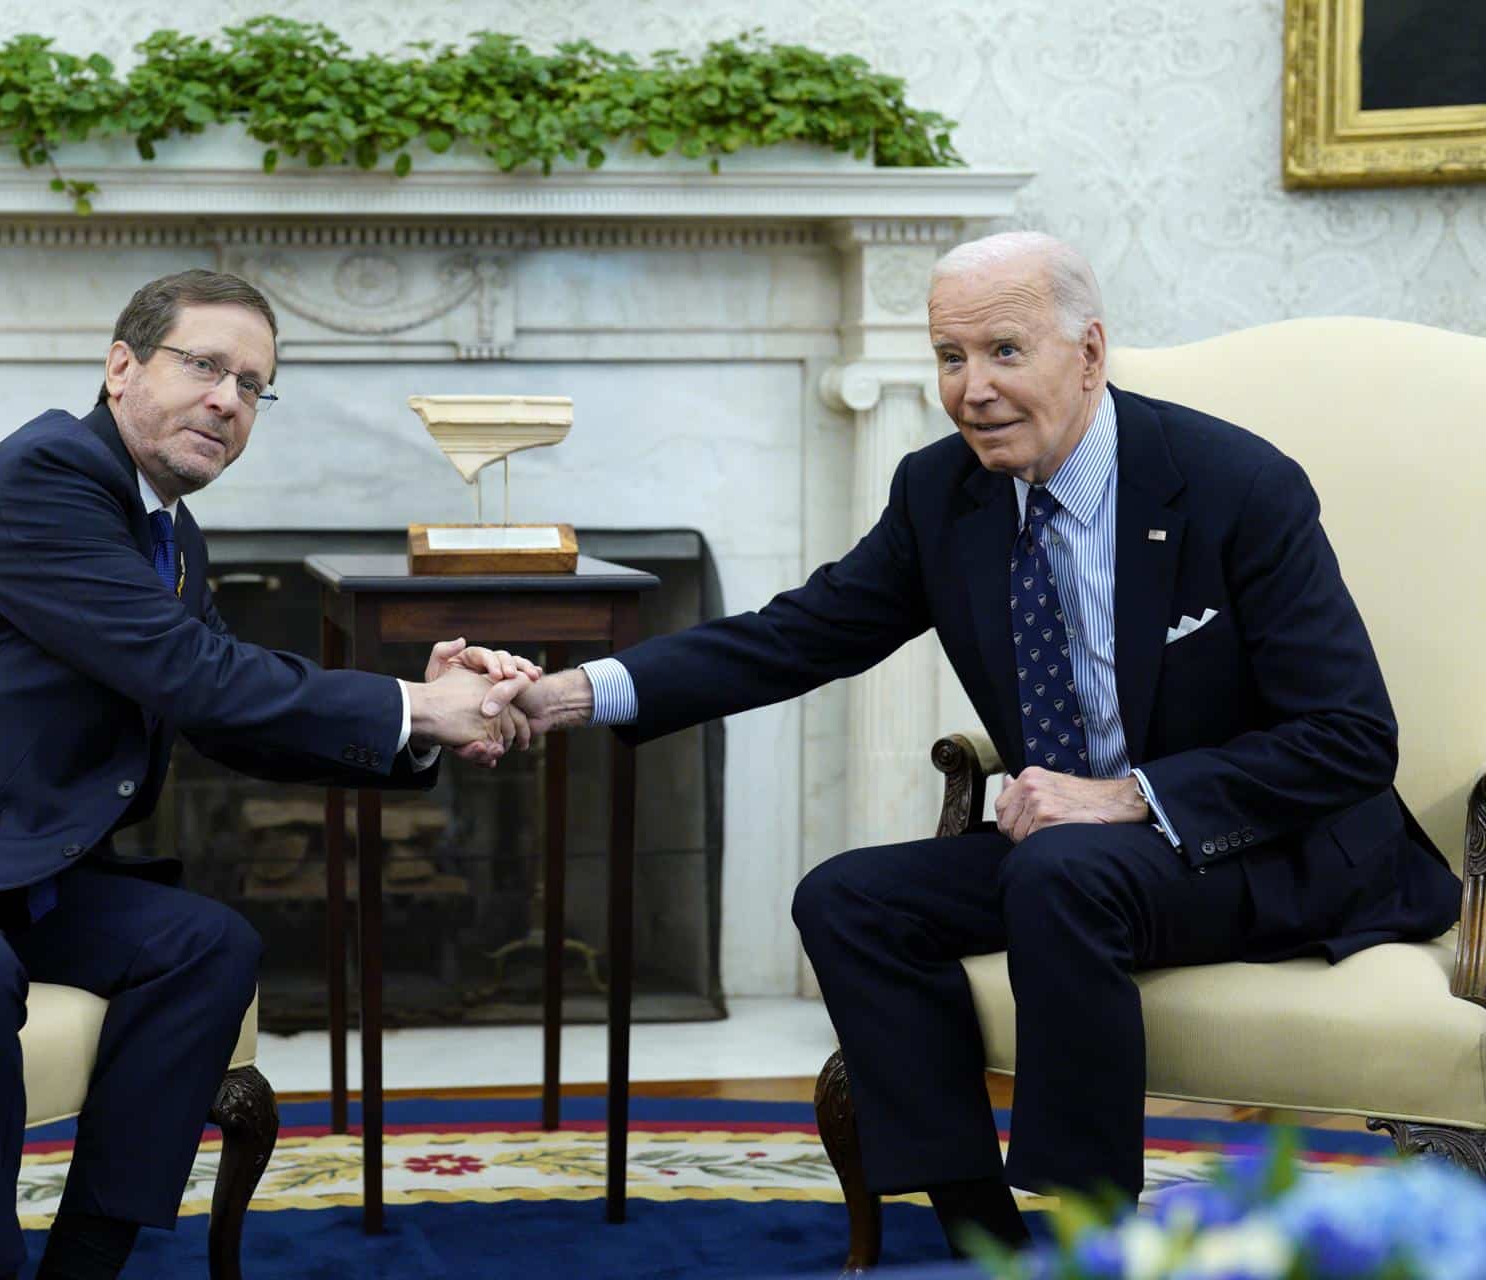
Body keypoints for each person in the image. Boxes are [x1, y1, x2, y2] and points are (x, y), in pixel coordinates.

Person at [510, 232, 1460, 1251]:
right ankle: (981, 1232)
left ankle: (1093, 1230)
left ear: (1089, 353)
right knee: (848, 896)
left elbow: (1351, 737)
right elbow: (794, 635)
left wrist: (1125, 794)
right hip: (1084, 859)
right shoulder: (942, 495)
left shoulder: (1233, 485)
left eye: (1005, 351)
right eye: (949, 358)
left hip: (1277, 848)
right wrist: (570, 692)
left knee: (1060, 866)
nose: (972, 390)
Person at [0, 269, 535, 1280]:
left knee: (208, 944)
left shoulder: (171, 535)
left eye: (254, 385)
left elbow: (221, 714)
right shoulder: (47, 474)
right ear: (121, 366)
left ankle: (84, 1262)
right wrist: (412, 700)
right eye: (205, 364)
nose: (228, 398)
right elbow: (196, 674)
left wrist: (414, 729)